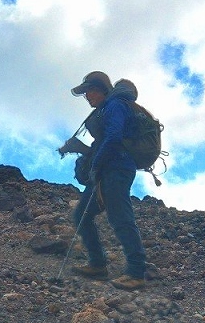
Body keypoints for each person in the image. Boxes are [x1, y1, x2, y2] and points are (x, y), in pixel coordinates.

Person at [58, 70, 147, 290]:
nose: (87, 96)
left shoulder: (115, 105)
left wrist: (96, 163)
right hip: (105, 171)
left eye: (90, 91)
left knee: (121, 218)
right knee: (81, 215)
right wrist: (84, 153)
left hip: (116, 170)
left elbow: (114, 137)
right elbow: (105, 142)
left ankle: (136, 273)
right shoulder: (105, 109)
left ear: (101, 89)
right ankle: (98, 265)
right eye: (85, 93)